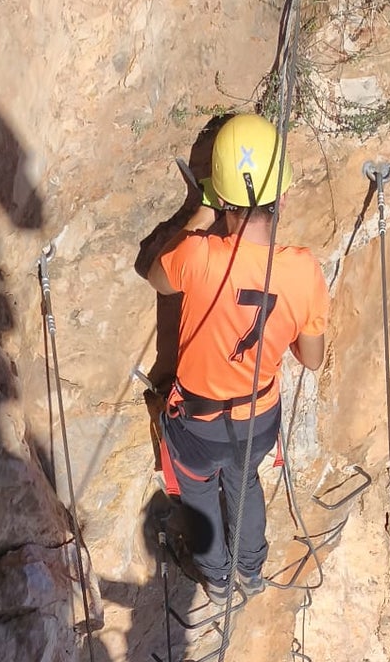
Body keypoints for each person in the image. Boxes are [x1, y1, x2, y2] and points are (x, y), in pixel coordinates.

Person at [140, 112, 329, 604]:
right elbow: (312, 358)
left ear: (219, 197)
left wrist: (201, 214)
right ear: (282, 197)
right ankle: (250, 570)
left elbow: (158, 278)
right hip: (258, 419)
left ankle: (217, 578)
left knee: (201, 493)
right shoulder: (303, 271)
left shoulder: (197, 256)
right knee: (244, 485)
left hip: (198, 427)